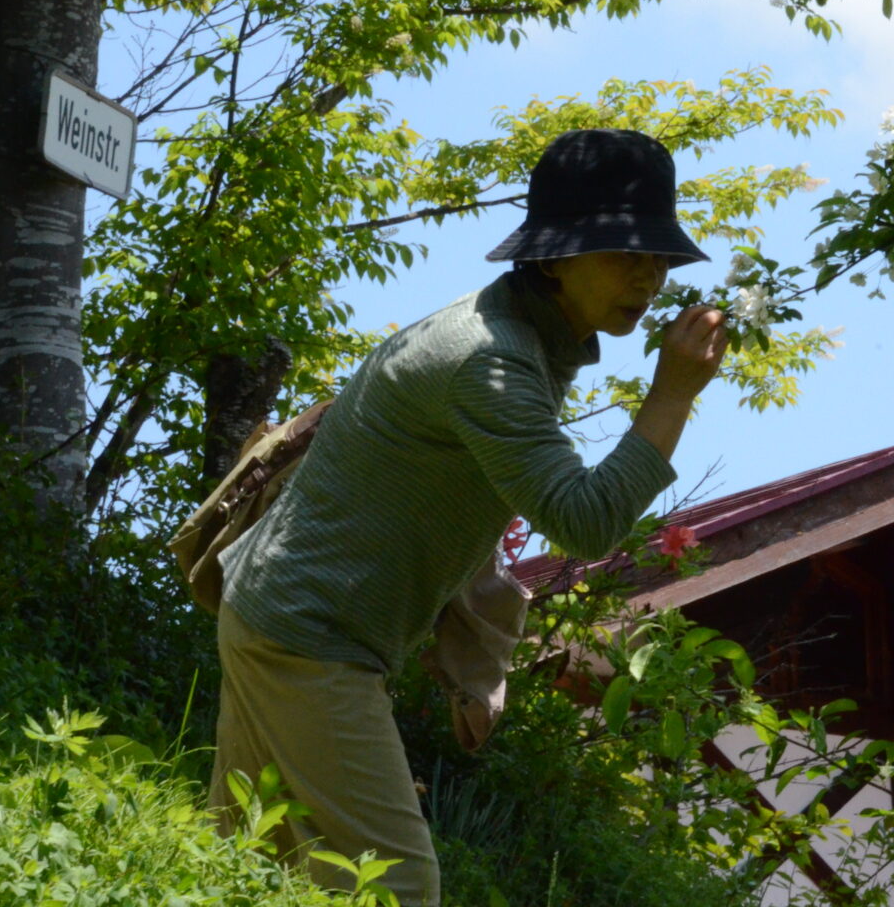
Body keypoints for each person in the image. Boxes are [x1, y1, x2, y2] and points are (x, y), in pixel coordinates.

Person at [208, 128, 729, 907]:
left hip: (286, 619)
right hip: (306, 637)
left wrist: (477, 650)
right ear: (553, 257)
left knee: (245, 869)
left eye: (659, 259)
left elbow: (457, 504)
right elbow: (584, 523)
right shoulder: (490, 358)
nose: (649, 278)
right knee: (397, 887)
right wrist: (673, 396)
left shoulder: (519, 339)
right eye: (626, 255)